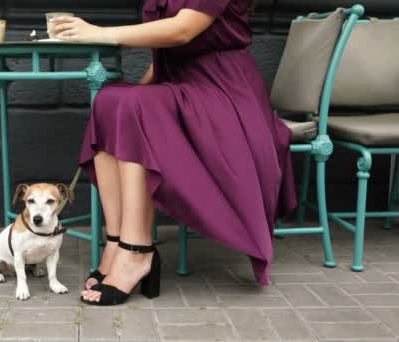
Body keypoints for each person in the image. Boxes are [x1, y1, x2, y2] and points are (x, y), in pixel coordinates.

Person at [50, 0, 296, 306]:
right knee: (110, 100)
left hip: (227, 93)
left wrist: (99, 33)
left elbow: (182, 31)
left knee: (133, 106)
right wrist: (125, 107)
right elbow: (169, 52)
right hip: (186, 87)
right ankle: (115, 243)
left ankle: (136, 252)